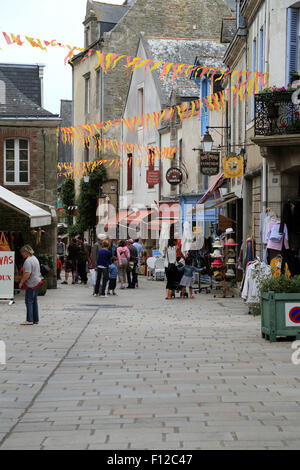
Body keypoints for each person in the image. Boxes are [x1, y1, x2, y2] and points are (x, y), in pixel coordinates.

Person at [19, 245, 43, 325]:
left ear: (25, 252)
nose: (22, 254)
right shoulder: (34, 258)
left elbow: (27, 273)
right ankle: (35, 319)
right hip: (37, 281)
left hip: (31, 283)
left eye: (22, 252)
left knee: (28, 301)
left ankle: (29, 320)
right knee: (34, 301)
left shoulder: (28, 261)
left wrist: (21, 282)